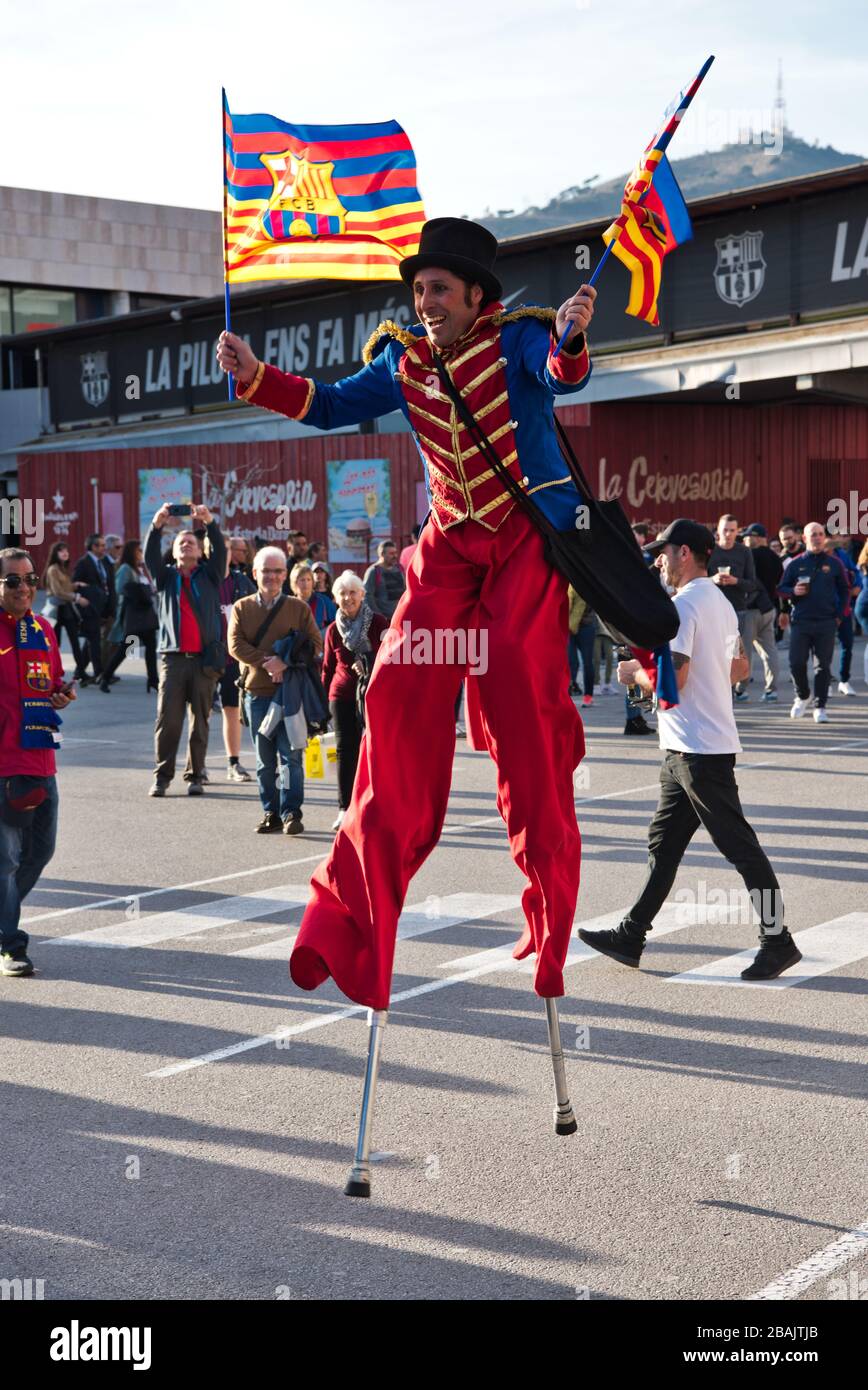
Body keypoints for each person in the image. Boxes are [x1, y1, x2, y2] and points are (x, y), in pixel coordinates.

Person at [217, 214, 595, 1009]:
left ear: (475, 297)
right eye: (419, 289)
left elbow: (561, 374)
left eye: (439, 290)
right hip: (449, 550)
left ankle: (549, 910)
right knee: (393, 700)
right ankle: (351, 913)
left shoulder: (517, 338)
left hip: (522, 544)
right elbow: (327, 404)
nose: (425, 301)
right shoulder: (403, 358)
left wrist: (567, 339)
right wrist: (256, 375)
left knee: (523, 709)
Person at [578, 520, 802, 983]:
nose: (658, 560)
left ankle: (778, 942)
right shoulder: (717, 601)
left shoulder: (681, 607)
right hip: (689, 746)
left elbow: (673, 680)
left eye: (663, 552)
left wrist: (632, 674)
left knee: (742, 849)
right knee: (663, 847)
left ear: (684, 553)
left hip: (698, 750)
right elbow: (739, 669)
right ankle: (631, 934)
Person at [0, 548, 76, 976]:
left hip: (42, 759)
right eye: (14, 581)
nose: (25, 587)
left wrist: (60, 695)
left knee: (40, 852)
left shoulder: (43, 629)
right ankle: (11, 944)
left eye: (30, 579)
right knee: (6, 860)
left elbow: (48, 686)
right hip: (4, 764)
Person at [228, 546, 323, 834]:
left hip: (292, 696)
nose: (271, 576)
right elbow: (234, 645)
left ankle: (292, 812)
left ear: (285, 574)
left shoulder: (298, 608)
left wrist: (286, 661)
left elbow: (316, 644)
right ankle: (271, 812)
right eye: (265, 571)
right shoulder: (242, 607)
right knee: (264, 761)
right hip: (258, 693)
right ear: (255, 573)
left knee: (291, 756)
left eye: (277, 571)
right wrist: (268, 663)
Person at [144, 505, 226, 796]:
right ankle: (162, 777)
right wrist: (157, 525)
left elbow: (221, 551)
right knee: (168, 722)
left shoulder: (211, 575)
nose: (187, 544)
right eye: (181, 542)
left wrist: (210, 522)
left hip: (204, 660)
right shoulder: (166, 578)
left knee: (200, 722)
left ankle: (195, 775)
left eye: (192, 541)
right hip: (173, 660)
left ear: (201, 550)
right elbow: (149, 556)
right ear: (175, 551)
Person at [322, 571, 388, 831]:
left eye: (353, 592)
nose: (348, 598)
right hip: (342, 696)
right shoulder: (332, 629)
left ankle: (376, 805)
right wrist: (323, 704)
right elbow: (327, 668)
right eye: (342, 593)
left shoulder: (379, 623)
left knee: (376, 752)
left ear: (362, 595)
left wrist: (369, 665)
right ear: (335, 598)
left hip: (374, 695)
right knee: (345, 752)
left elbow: (392, 657)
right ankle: (344, 808)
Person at [779, 522, 849, 723]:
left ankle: (820, 706)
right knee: (796, 663)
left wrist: (839, 615)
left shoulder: (835, 563)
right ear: (804, 538)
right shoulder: (795, 563)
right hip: (801, 621)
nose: (817, 538)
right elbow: (781, 589)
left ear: (824, 537)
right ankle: (802, 695)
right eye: (813, 535)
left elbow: (845, 589)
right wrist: (793, 591)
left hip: (827, 622)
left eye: (820, 534)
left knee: (823, 667)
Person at [707, 513, 759, 701]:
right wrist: (712, 579)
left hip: (736, 610)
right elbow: (697, 579)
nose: (728, 534)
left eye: (732, 530)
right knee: (712, 655)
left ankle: (726, 698)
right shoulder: (709, 551)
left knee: (730, 656)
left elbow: (752, 584)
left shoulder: (744, 552)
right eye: (724, 530)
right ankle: (716, 696)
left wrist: (735, 581)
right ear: (717, 531)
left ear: (738, 531)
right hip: (711, 611)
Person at [217, 542, 256, 782]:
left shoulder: (241, 582)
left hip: (233, 658)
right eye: (219, 547)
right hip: (205, 656)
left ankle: (234, 763)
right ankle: (195, 769)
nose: (225, 551)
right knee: (196, 714)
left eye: (228, 548)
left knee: (232, 709)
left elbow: (258, 608)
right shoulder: (201, 579)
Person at [100, 540, 159, 692]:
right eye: (138, 550)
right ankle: (105, 678)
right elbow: (120, 588)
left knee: (150, 647)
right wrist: (140, 591)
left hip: (144, 615)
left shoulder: (137, 568)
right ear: (132, 552)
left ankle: (153, 680)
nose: (140, 553)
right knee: (125, 649)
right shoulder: (126, 568)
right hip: (134, 616)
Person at [740, 523, 782, 701]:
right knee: (769, 651)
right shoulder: (774, 556)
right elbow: (780, 579)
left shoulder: (749, 555)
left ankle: (741, 690)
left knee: (744, 651)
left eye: (748, 536)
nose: (745, 539)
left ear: (757, 537)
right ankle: (771, 690)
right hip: (769, 608)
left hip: (750, 609)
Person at [41, 542, 89, 682]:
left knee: (74, 642)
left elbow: (66, 588)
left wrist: (76, 585)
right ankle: (51, 674)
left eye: (66, 550)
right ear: (55, 554)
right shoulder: (53, 569)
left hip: (66, 610)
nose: (65, 553)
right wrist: (77, 598)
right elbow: (58, 592)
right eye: (61, 551)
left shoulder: (63, 568)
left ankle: (81, 673)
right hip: (55, 611)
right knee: (55, 645)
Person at [72, 534, 114, 683]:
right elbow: (74, 583)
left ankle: (79, 671)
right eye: (101, 545)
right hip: (89, 608)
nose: (104, 548)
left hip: (100, 606)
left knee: (91, 640)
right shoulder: (84, 563)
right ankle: (99, 673)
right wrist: (81, 590)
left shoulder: (101, 562)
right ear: (93, 547)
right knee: (94, 640)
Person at [824, 531, 860, 696]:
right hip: (826, 610)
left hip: (844, 608)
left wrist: (858, 585)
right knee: (825, 648)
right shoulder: (818, 558)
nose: (840, 539)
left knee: (848, 645)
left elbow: (855, 571)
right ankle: (826, 683)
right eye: (836, 536)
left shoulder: (842, 555)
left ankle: (844, 681)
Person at [363, 540, 406, 620]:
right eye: (391, 553)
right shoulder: (373, 571)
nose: (395, 556)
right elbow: (367, 596)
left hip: (400, 617)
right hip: (384, 620)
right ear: (382, 554)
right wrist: (379, 616)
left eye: (395, 553)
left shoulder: (399, 569)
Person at [291, 561, 337, 635]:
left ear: (313, 582)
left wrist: (320, 636)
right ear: (295, 582)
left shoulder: (324, 601)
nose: (306, 583)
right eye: (302, 580)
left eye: (308, 579)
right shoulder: (289, 604)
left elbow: (335, 624)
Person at [566, 586, 595, 707]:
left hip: (586, 627)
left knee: (587, 663)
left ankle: (588, 696)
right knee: (571, 662)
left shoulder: (587, 582)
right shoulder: (567, 585)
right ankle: (567, 693)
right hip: (567, 627)